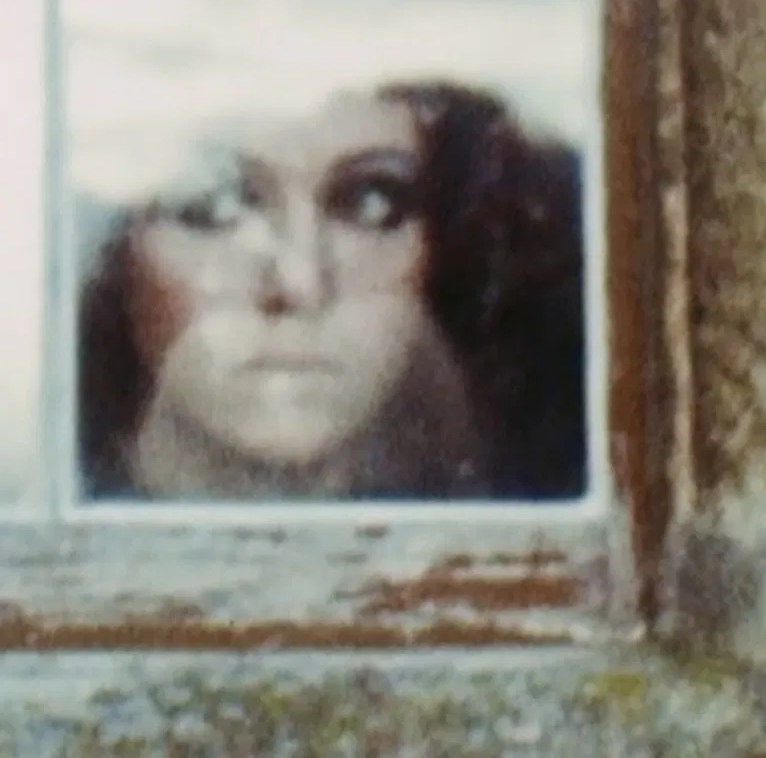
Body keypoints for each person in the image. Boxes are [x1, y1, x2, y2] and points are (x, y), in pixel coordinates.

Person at [78, 78, 585, 502]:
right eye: (212, 204)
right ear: (123, 254)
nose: (298, 283)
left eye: (370, 204)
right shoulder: (47, 493)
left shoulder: (543, 513)